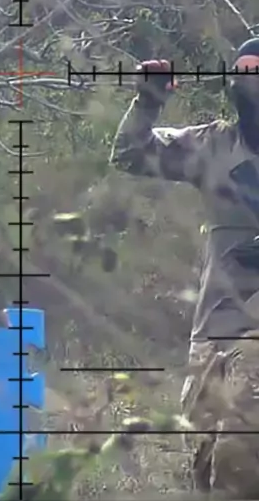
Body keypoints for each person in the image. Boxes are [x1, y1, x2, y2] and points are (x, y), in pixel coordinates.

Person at [110, 37, 259, 498]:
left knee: (241, 462)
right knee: (205, 462)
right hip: (217, 328)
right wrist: (148, 100)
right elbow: (131, 153)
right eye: (241, 73)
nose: (248, 84)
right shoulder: (215, 146)